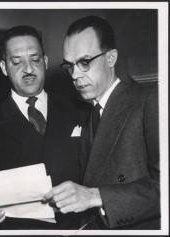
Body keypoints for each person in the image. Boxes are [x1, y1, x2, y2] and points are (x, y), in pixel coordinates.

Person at [0, 25, 91, 230]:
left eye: (35, 59)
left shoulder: (82, 113)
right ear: (4, 67)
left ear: (46, 62)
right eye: (17, 62)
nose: (29, 69)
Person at [43, 15, 160, 230]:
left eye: (85, 62)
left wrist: (94, 196)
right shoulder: (89, 114)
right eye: (70, 66)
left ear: (111, 58)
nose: (75, 75)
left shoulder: (150, 100)